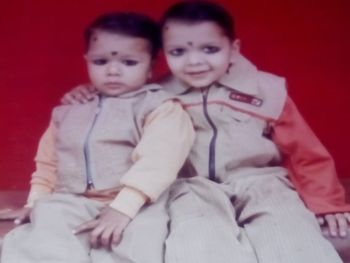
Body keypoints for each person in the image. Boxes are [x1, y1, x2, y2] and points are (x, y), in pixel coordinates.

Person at [62, 1, 350, 262]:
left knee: (291, 236)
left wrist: (327, 203)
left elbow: (305, 153)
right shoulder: (154, 97)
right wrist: (88, 93)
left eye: (210, 49)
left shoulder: (267, 91)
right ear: (163, 55)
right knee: (196, 243)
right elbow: (114, 109)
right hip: (192, 189)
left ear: (233, 49)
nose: (194, 62)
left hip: (263, 183)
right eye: (178, 52)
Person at [0, 12, 195, 263]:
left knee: (140, 246)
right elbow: (48, 162)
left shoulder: (160, 107)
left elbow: (158, 161)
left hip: (138, 203)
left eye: (129, 63)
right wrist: (35, 201)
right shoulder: (69, 111)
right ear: (87, 61)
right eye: (100, 62)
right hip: (70, 199)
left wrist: (123, 208)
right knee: (42, 238)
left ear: (151, 66)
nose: (113, 71)